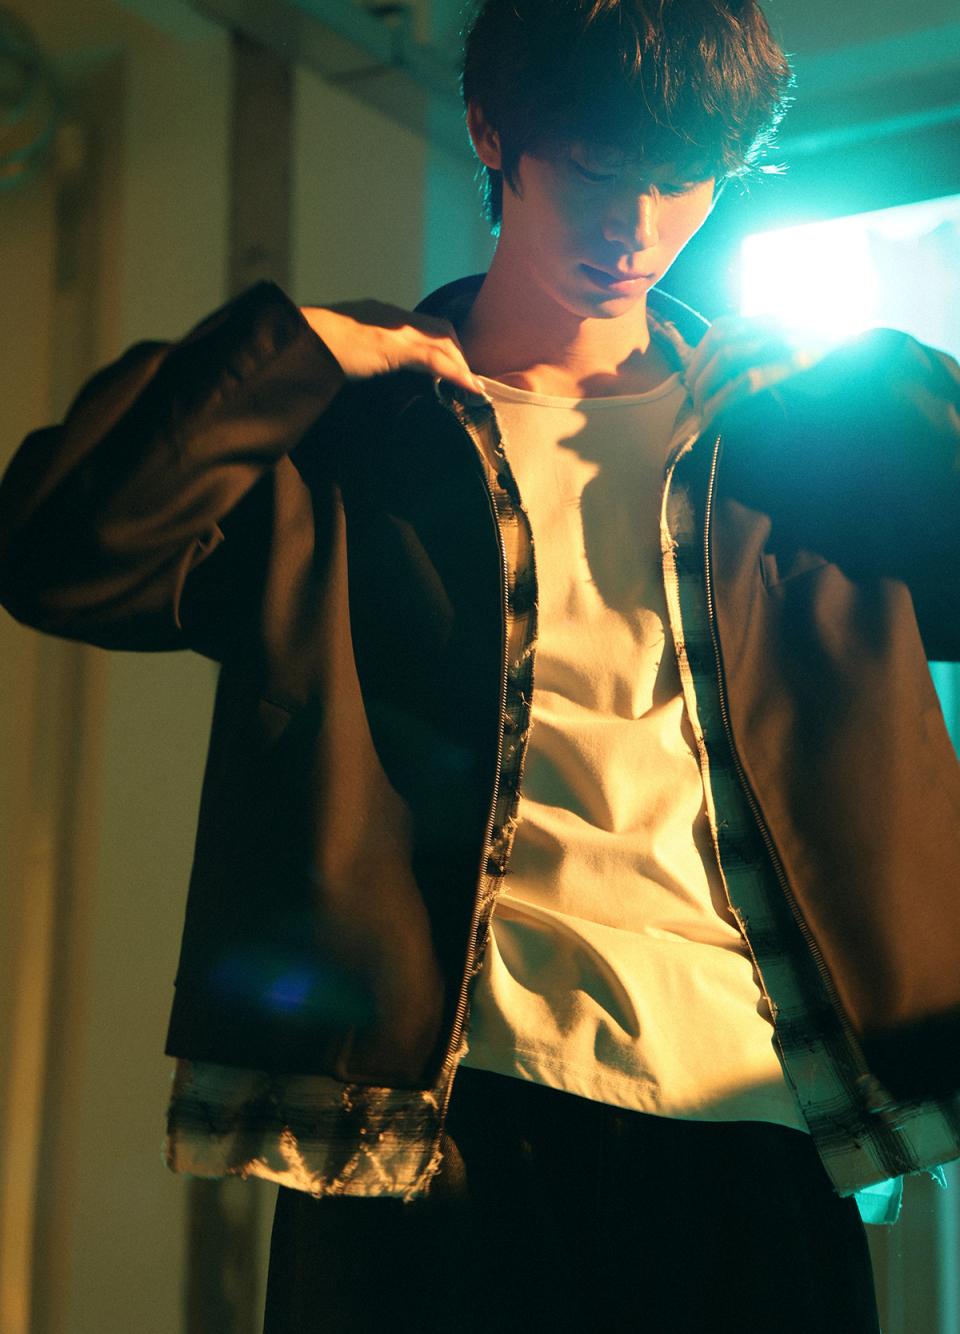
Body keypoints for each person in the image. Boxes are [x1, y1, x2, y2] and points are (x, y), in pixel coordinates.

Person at [2, 0, 960, 1329]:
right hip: (438, 1131)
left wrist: (889, 394)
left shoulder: (792, 443)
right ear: (492, 131)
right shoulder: (360, 433)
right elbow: (57, 550)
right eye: (595, 169)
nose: (635, 225)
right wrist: (290, 353)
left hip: (757, 1114)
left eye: (681, 178)